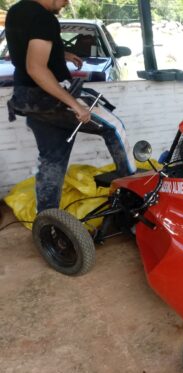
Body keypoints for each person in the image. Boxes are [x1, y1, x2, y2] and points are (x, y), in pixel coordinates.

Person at [5, 0, 136, 214]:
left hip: (27, 99)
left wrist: (62, 54)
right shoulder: (44, 18)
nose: (67, 2)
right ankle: (133, 191)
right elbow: (35, 68)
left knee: (51, 159)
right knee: (114, 128)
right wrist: (75, 105)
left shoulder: (16, 11)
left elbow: (24, 50)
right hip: (50, 99)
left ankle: (47, 218)